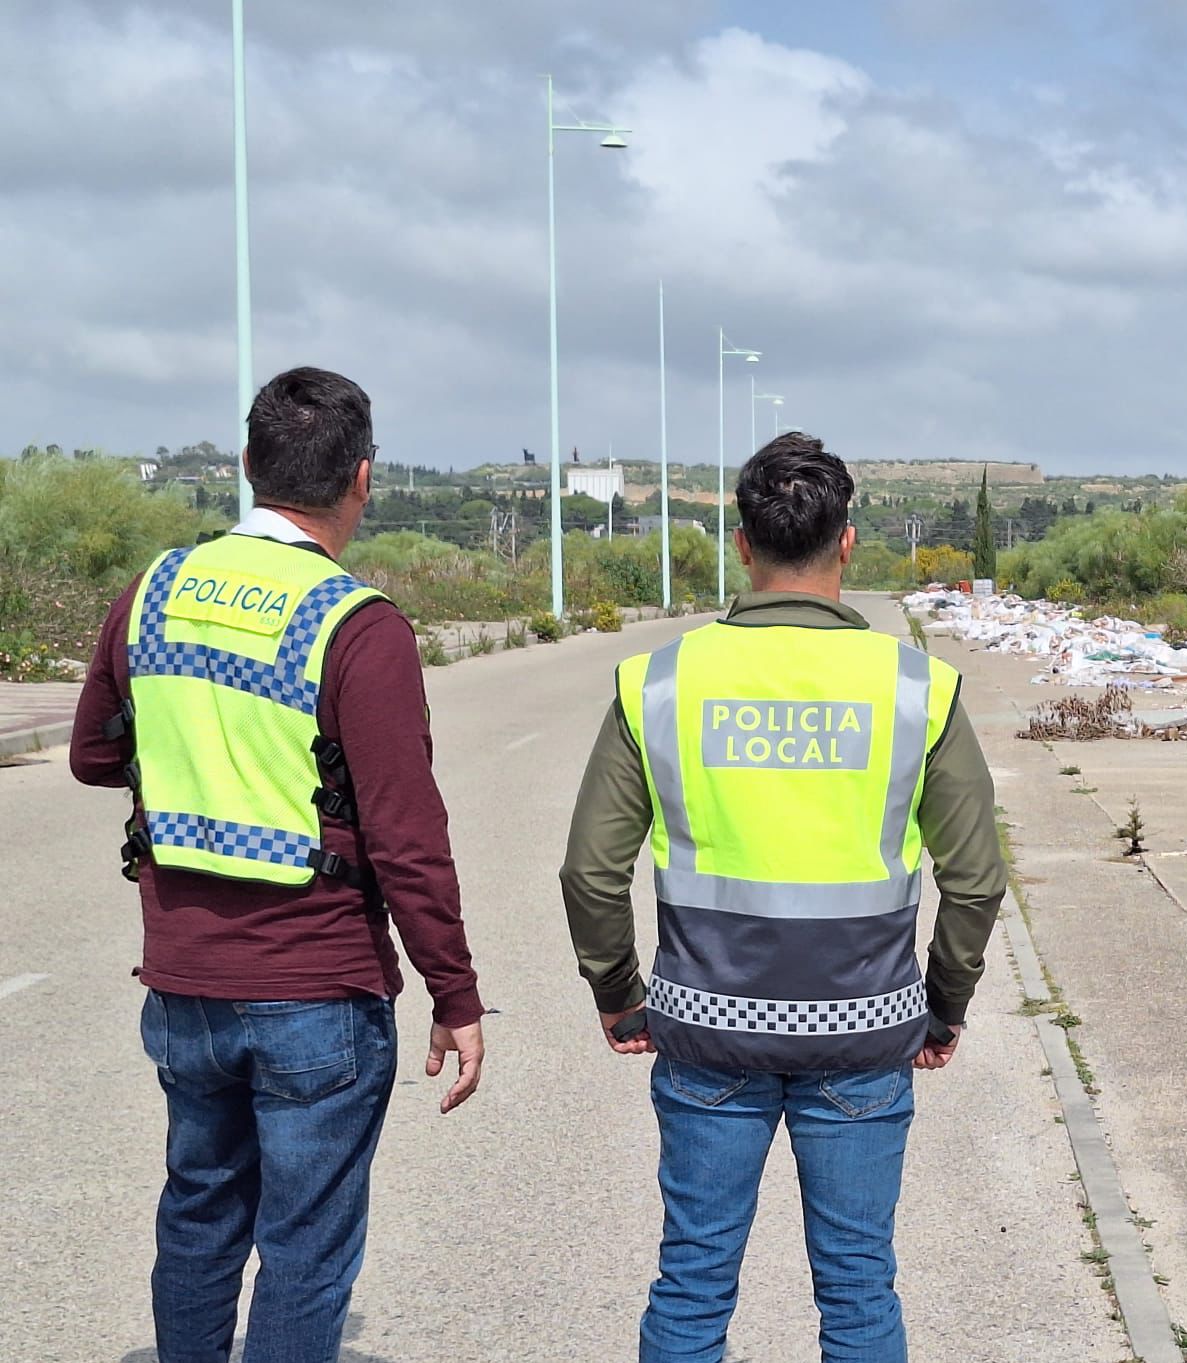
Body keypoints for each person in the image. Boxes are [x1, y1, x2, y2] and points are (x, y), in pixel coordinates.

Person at [559, 432, 1007, 1363]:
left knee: (692, 1279)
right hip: (864, 1032)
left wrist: (617, 992)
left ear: (742, 542)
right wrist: (944, 1004)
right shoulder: (915, 687)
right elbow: (976, 879)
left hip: (705, 1034)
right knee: (857, 1287)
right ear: (847, 542)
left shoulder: (664, 683)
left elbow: (591, 871)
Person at [70, 366, 485, 1363]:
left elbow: (91, 754)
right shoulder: (358, 624)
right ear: (363, 481)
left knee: (199, 1219)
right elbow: (405, 837)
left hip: (184, 987)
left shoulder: (152, 592)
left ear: (248, 465)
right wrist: (456, 994)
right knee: (303, 1248)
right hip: (316, 991)